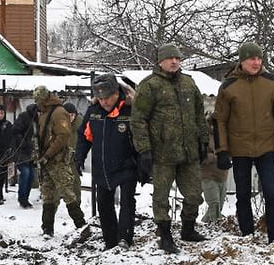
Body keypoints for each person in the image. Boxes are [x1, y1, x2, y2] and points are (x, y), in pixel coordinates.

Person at [129, 42, 209, 254]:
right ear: (160, 61)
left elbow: (200, 115)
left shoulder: (189, 84)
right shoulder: (150, 86)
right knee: (161, 197)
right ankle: (164, 235)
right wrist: (144, 150)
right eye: (170, 58)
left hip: (188, 152)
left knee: (194, 195)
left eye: (178, 58)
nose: (174, 62)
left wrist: (203, 141)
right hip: (162, 153)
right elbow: (138, 120)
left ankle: (188, 229)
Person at [214, 41, 274, 249]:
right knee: (243, 194)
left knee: (272, 193)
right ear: (242, 61)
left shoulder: (272, 83)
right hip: (240, 149)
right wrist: (222, 150)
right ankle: (247, 235)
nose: (256, 63)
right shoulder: (229, 86)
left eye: (259, 58)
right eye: (251, 59)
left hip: (267, 147)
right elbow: (220, 119)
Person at [76, 74, 138, 250]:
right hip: (102, 166)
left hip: (127, 164)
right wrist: (79, 157)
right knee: (104, 204)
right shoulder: (94, 112)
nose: (104, 102)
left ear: (117, 93)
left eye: (108, 98)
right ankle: (110, 241)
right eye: (101, 98)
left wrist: (144, 161)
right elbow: (84, 137)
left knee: (127, 202)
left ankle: (125, 238)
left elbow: (141, 138)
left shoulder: (129, 110)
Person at [33, 85, 86, 236]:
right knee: (48, 195)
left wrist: (48, 155)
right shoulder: (46, 112)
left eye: (38, 100)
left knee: (68, 193)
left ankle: (81, 225)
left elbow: (63, 136)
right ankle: (47, 229)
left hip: (57, 160)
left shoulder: (58, 112)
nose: (37, 103)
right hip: (46, 159)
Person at [9, 103, 39, 208]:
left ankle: (25, 198)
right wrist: (24, 143)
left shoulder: (37, 120)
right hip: (21, 151)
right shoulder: (24, 117)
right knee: (25, 173)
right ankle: (22, 199)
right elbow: (15, 131)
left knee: (31, 176)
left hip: (32, 151)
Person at [201, 113, 229, 224]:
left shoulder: (225, 134)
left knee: (219, 206)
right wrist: (215, 157)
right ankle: (214, 227)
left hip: (222, 174)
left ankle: (204, 225)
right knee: (214, 204)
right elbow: (200, 156)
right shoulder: (203, 135)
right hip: (207, 175)